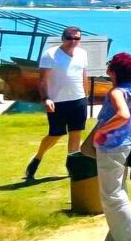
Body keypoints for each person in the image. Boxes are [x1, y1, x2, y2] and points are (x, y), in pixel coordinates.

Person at [82, 52, 131, 241]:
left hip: (111, 146)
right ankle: (115, 239)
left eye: (110, 65)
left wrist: (102, 131)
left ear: (113, 71)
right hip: (125, 143)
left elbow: (123, 115)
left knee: (112, 195)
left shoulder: (116, 92)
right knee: (118, 190)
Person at [25, 26, 89, 181]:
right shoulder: (50, 55)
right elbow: (42, 80)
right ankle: (38, 157)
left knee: (75, 134)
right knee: (56, 133)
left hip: (78, 100)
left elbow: (84, 75)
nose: (73, 41)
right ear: (63, 38)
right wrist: (46, 98)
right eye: (70, 38)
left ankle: (72, 167)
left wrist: (86, 96)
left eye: (77, 38)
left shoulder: (82, 54)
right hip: (57, 101)